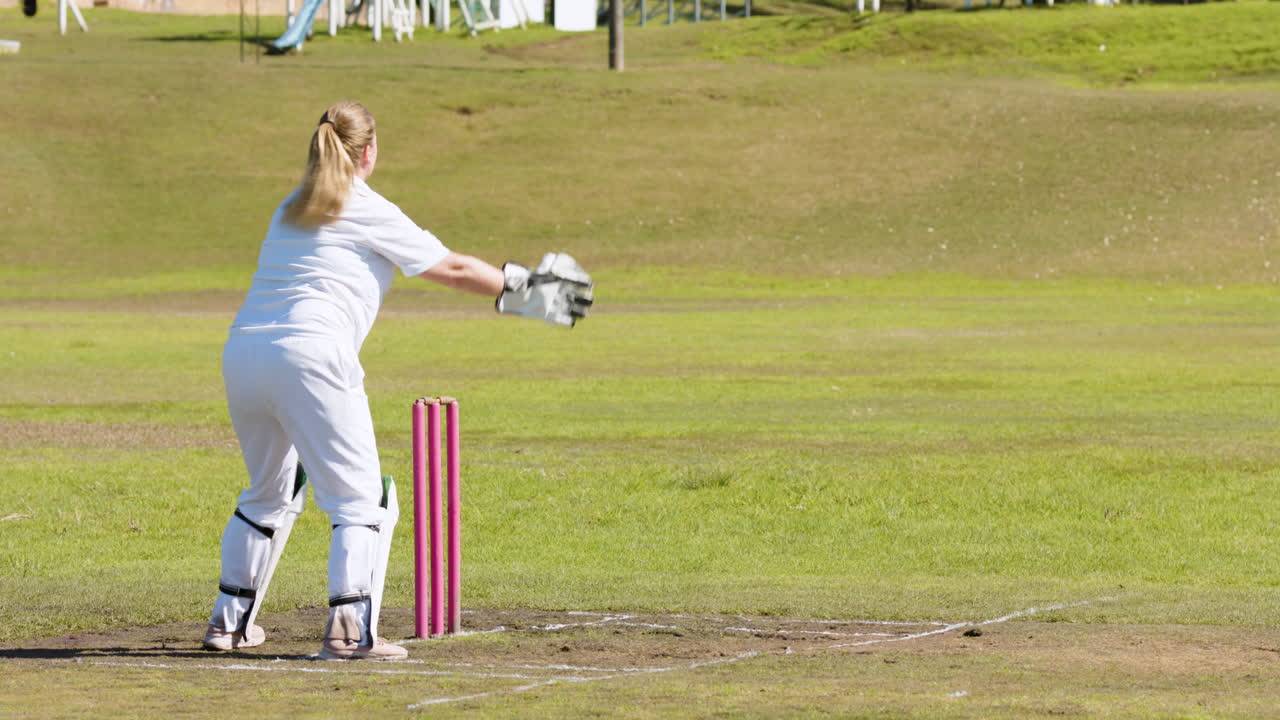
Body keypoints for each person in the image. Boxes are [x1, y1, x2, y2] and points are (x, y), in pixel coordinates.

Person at [202, 101, 593, 661]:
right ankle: (346, 633)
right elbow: (451, 268)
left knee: (270, 492)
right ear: (370, 153)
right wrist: (526, 288)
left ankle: (228, 623)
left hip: (244, 354)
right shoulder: (364, 206)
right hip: (313, 356)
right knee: (363, 500)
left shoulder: (290, 207)